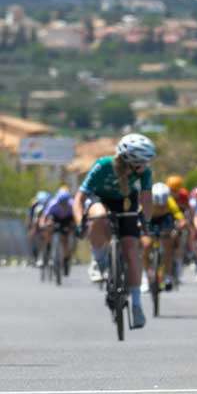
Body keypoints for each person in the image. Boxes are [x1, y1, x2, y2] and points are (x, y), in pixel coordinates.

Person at [73, 133, 156, 329]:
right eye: (141, 160)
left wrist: (147, 222)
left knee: (131, 251)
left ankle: (136, 305)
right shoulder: (103, 165)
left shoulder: (144, 172)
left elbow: (146, 200)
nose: (145, 164)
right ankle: (98, 258)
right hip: (99, 199)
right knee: (99, 216)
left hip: (125, 203)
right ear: (128, 159)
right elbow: (79, 197)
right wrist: (79, 223)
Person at [142, 182, 186, 292]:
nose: (160, 206)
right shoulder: (146, 201)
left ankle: (167, 275)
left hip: (165, 220)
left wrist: (181, 223)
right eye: (157, 203)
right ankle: (146, 276)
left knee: (168, 246)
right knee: (146, 245)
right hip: (149, 219)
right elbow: (139, 216)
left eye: (163, 203)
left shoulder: (170, 201)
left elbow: (178, 215)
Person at [38, 189, 75, 274]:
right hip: (55, 218)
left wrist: (75, 225)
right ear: (58, 201)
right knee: (49, 225)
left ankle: (66, 260)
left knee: (65, 240)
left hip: (67, 219)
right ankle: (48, 246)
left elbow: (75, 217)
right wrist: (42, 224)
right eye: (61, 203)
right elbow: (44, 216)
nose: (63, 205)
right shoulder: (53, 204)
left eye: (65, 203)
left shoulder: (72, 204)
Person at [27, 191, 50, 267]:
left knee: (48, 236)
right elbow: (30, 217)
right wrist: (30, 227)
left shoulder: (49, 205)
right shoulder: (34, 205)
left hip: (45, 223)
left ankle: (48, 254)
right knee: (33, 238)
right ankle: (36, 257)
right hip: (36, 223)